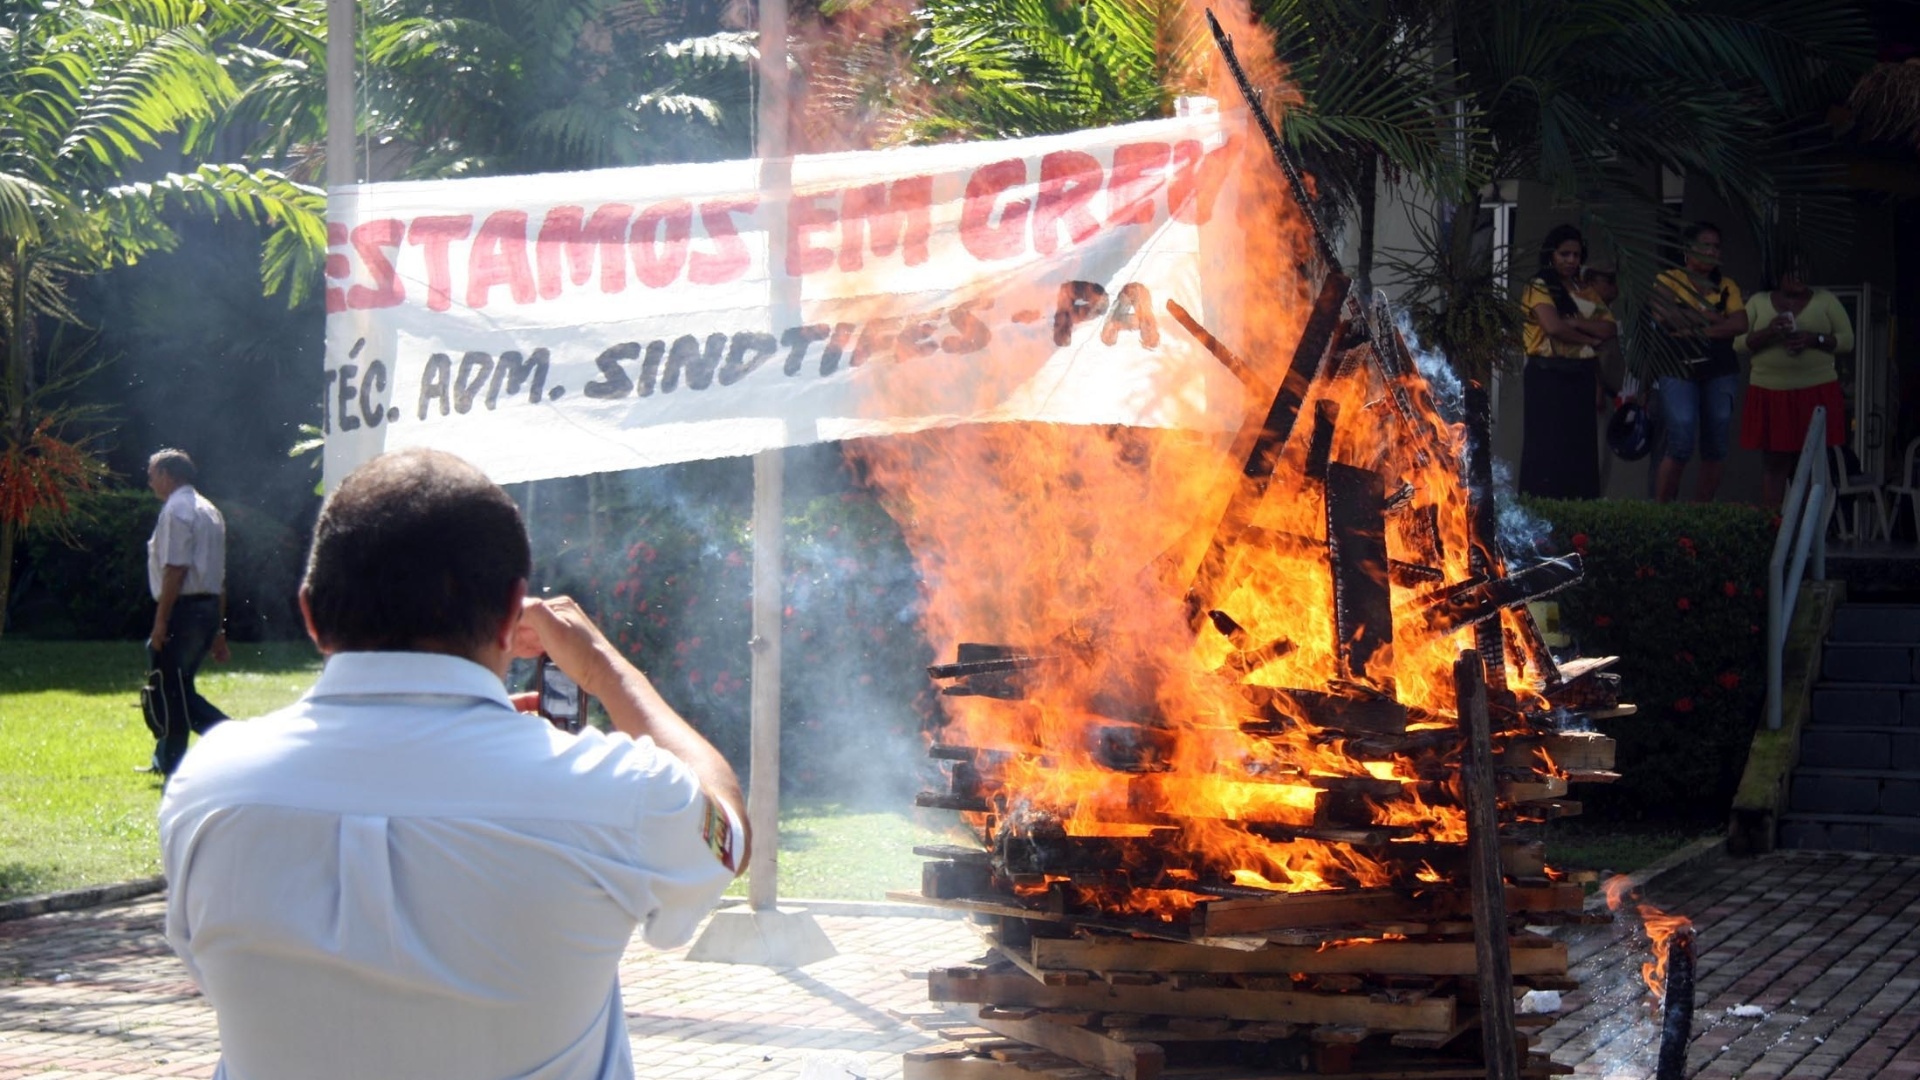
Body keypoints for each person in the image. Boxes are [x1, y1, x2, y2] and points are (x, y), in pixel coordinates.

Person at [159, 448, 749, 1080]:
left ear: (309, 613)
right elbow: (729, 832)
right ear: (510, 613)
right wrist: (603, 666)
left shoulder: (205, 786)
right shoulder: (612, 793)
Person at [1737, 257, 1854, 506]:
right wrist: (1770, 331)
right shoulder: (1759, 301)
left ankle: (1807, 533)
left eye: (1804, 269)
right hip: (1770, 391)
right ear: (1778, 274)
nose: (1800, 275)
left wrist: (1815, 340)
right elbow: (1738, 342)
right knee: (1775, 461)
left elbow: (1847, 340)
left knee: (1812, 461)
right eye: (1793, 270)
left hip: (1817, 391)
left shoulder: (1826, 300)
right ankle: (1774, 530)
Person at [143, 449, 229, 776]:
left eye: (152, 475)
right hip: (206, 609)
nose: (150, 482)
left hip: (184, 609)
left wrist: (161, 621)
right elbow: (220, 577)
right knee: (177, 687)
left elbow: (175, 569)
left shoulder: (176, 510)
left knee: (171, 689)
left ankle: (230, 740)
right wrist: (218, 629)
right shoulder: (210, 510)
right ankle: (168, 759)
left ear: (167, 474)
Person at [1651, 222, 1749, 502]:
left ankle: (1699, 516)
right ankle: (1662, 517)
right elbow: (1664, 316)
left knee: (1716, 443)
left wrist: (1694, 326)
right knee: (1680, 438)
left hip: (1719, 369)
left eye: (1716, 246)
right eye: (1706, 245)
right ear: (1687, 249)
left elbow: (1740, 323)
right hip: (1678, 367)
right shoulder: (1668, 279)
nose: (1712, 251)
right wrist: (1716, 317)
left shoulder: (1727, 285)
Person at [1518, 225, 1617, 499]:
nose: (1571, 260)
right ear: (1551, 255)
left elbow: (1609, 328)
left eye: (1576, 254)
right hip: (1547, 374)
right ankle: (1541, 507)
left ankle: (1579, 507)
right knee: (1546, 446)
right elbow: (1552, 327)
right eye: (1564, 254)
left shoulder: (1584, 289)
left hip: (1581, 374)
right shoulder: (1538, 285)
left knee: (1580, 446)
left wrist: (1574, 322)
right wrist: (1589, 339)